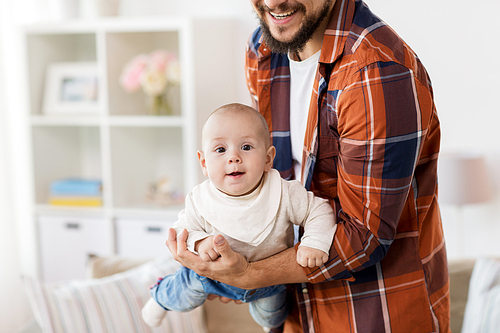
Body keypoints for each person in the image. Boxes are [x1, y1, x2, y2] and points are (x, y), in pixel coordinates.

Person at [166, 0, 450, 332]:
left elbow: (363, 237)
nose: (273, 3)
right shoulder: (264, 47)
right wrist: (229, 261)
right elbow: (269, 179)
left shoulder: (374, 71)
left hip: (375, 313)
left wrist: (246, 274)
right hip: (296, 310)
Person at [142, 103, 336, 330]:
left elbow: (319, 209)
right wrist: (201, 241)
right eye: (221, 150)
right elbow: (183, 231)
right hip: (211, 275)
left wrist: (314, 243)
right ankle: (159, 299)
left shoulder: (283, 192)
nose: (233, 157)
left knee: (272, 319)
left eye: (246, 147)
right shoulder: (200, 199)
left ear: (267, 158)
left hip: (268, 278)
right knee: (183, 296)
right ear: (204, 163)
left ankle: (264, 318)